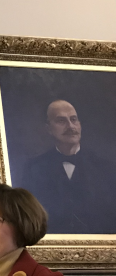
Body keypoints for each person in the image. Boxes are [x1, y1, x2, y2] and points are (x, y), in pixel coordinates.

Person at [20, 100, 116, 233]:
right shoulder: (34, 169)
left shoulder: (106, 168)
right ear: (48, 128)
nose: (70, 126)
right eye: (61, 121)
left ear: (80, 125)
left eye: (74, 119)